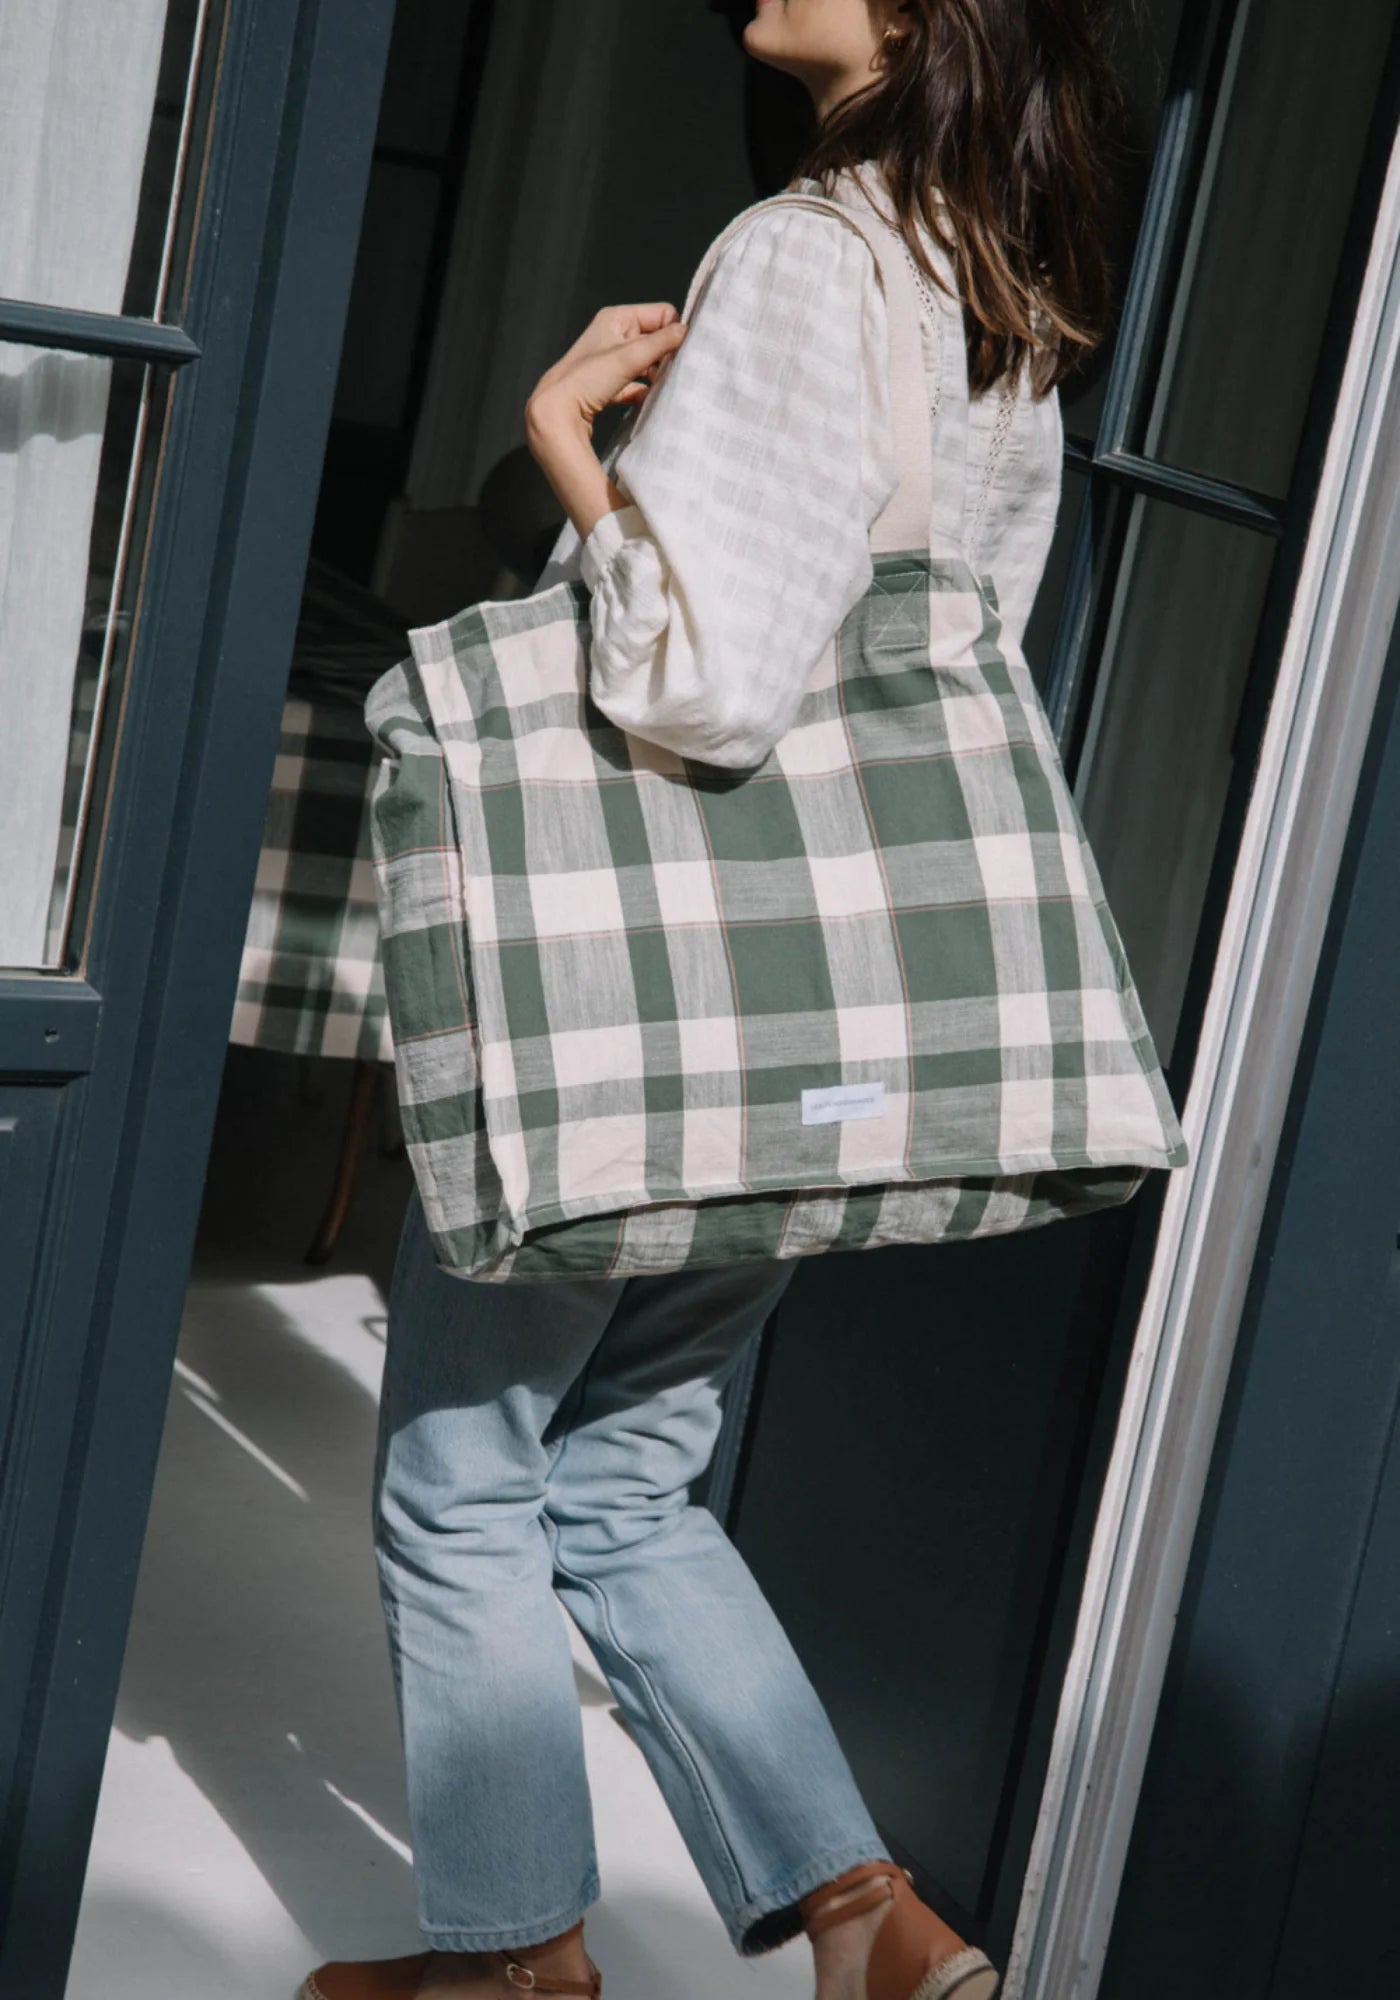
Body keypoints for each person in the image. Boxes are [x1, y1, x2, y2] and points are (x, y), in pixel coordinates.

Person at [303, 3, 1124, 1996]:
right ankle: (870, 1924)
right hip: (819, 1019)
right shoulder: (981, 268)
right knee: (623, 1473)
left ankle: (514, 1961)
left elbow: (700, 680)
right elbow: (930, 651)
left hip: (646, 1017)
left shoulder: (798, 250)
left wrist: (566, 446)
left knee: (463, 1475)